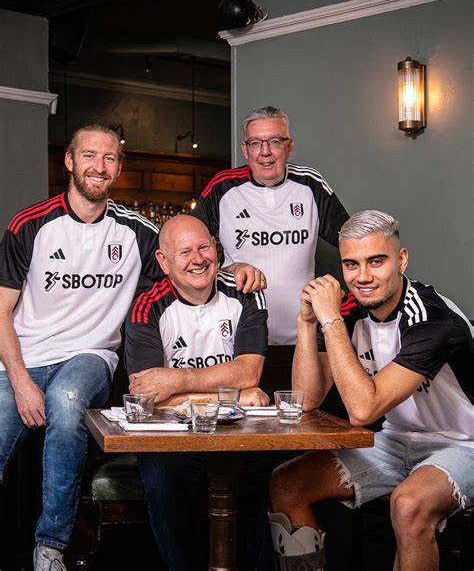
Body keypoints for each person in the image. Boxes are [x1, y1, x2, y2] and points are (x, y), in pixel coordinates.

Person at [268, 210, 474, 571]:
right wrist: (306, 322)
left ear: (401, 260)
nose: (362, 277)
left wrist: (329, 319)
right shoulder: (349, 313)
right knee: (288, 483)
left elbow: (364, 411)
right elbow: (306, 399)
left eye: (376, 261)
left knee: (409, 504)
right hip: (396, 442)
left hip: (464, 444)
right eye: (351, 264)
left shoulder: (433, 319)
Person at [0, 123, 163, 571]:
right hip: (25, 357)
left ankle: (50, 546)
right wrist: (19, 381)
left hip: (91, 355)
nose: (100, 166)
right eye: (90, 155)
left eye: (109, 158)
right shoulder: (30, 224)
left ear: (118, 168)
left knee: (67, 400)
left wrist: (239, 265)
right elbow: (1, 312)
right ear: (70, 161)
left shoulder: (137, 231)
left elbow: (193, 262)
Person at [124, 214, 270, 570]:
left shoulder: (246, 292)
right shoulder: (147, 305)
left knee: (270, 479)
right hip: (173, 438)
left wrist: (175, 381)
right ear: (164, 261)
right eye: (185, 251)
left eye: (204, 247)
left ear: (216, 250)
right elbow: (147, 394)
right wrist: (229, 393)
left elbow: (250, 371)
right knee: (164, 484)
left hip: (238, 433)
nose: (198, 258)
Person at [192, 106, 349, 397]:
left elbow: (355, 242)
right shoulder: (223, 187)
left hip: (301, 343)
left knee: (303, 427)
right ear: (245, 148)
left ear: (289, 147)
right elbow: (188, 255)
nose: (265, 152)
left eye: (275, 141)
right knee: (245, 434)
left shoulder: (310, 186)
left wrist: (348, 299)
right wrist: (232, 268)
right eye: (256, 143)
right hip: (240, 346)